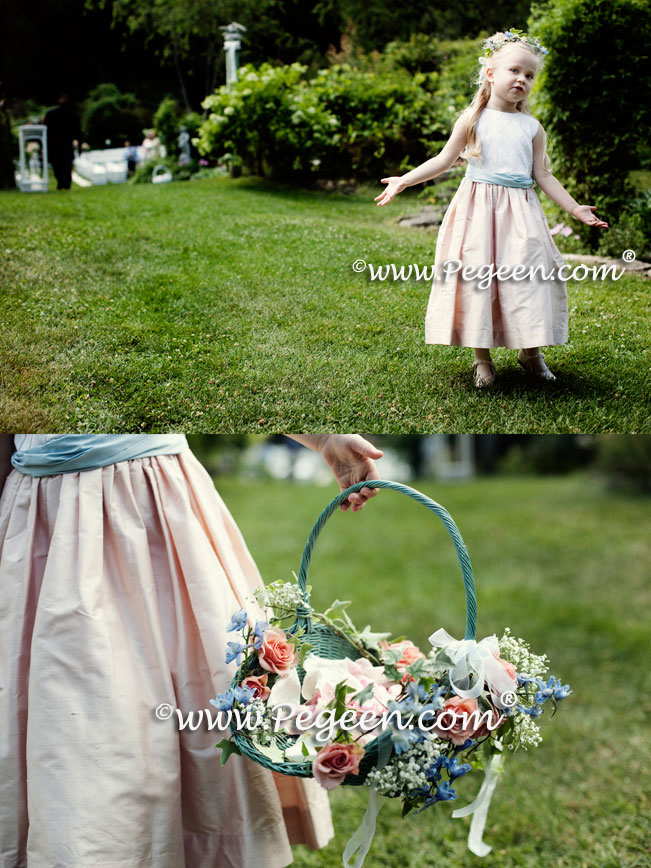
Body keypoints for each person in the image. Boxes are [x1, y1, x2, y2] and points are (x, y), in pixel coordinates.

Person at [0, 433, 383, 868]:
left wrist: (323, 438)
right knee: (75, 711)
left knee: (206, 692)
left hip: (157, 505)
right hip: (46, 513)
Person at [375, 29, 608, 388]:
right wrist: (404, 180)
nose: (522, 79)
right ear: (490, 73)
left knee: (529, 279)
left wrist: (575, 209)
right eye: (515, 70)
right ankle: (482, 359)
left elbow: (542, 174)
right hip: (477, 213)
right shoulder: (472, 119)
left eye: (530, 75)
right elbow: (443, 160)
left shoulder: (532, 127)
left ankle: (531, 353)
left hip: (521, 215)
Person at [43, 93, 81, 191]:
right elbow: (46, 130)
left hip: (66, 143)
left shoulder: (72, 114)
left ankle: (65, 183)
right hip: (55, 144)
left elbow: (78, 131)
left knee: (66, 165)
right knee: (58, 165)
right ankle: (62, 183)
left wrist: (79, 145)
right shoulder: (51, 114)